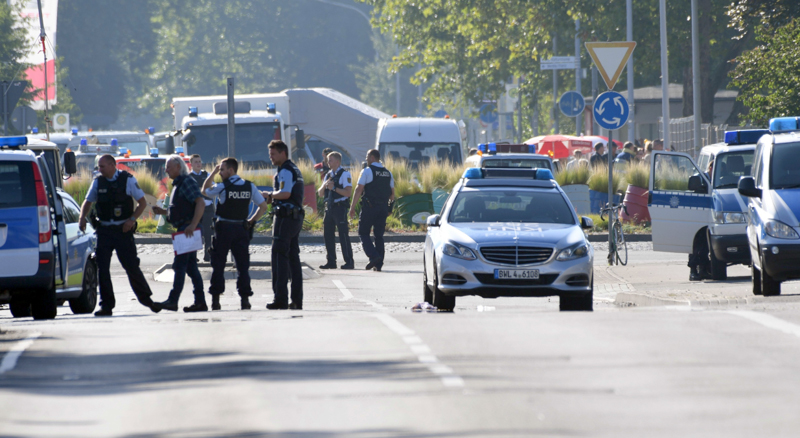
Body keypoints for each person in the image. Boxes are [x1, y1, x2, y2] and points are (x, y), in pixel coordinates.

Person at [78, 154, 162, 317]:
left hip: (123, 230)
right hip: (105, 231)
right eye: (99, 167)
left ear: (112, 165)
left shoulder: (128, 180)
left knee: (131, 266)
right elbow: (87, 202)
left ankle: (148, 301)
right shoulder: (98, 182)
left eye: (102, 166)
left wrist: (131, 220)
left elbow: (142, 203)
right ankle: (106, 306)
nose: (99, 169)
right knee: (102, 269)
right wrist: (82, 218)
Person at [202, 157, 268, 311]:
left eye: (222, 170)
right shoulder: (249, 186)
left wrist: (212, 173)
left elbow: (204, 190)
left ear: (231, 170)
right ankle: (245, 300)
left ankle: (216, 300)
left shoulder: (223, 186)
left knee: (218, 265)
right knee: (243, 267)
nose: (220, 173)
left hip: (224, 229)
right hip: (241, 229)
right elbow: (263, 206)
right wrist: (251, 221)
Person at [151, 155, 207, 312]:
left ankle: (173, 300)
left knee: (180, 265)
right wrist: (163, 211)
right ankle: (200, 302)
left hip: (188, 230)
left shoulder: (187, 181)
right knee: (190, 267)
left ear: (178, 167)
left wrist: (193, 225)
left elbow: (200, 202)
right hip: (184, 229)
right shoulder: (178, 184)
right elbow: (180, 209)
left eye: (169, 167)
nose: (166, 170)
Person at [262, 140, 305, 310]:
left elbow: (285, 193)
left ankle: (280, 298)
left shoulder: (286, 170)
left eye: (273, 154)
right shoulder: (293, 169)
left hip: (286, 218)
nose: (270, 157)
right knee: (293, 259)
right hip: (294, 217)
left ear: (282, 153)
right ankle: (296, 300)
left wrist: (269, 194)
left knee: (279, 257)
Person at [349, 149, 395, 272]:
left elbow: (359, 189)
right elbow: (392, 195)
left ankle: (374, 257)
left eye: (367, 157)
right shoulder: (388, 173)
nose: (366, 159)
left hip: (370, 208)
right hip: (383, 208)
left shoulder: (367, 171)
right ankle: (378, 264)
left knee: (363, 233)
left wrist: (352, 207)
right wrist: (389, 209)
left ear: (372, 158)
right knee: (379, 236)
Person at [318, 151, 354, 270]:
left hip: (340, 208)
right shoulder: (328, 175)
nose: (328, 162)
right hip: (329, 208)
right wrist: (325, 185)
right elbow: (320, 193)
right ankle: (331, 262)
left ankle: (349, 261)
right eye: (328, 160)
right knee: (328, 235)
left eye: (330, 160)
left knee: (343, 235)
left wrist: (334, 188)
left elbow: (348, 193)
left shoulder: (345, 174)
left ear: (337, 162)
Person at [188, 154, 214, 262]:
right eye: (196, 162)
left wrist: (202, 190)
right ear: (191, 164)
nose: (198, 164)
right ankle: (193, 257)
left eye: (199, 161)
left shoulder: (206, 174)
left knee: (209, 233)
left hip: (208, 208)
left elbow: (212, 188)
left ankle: (208, 256)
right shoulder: (189, 176)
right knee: (195, 232)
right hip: (195, 209)